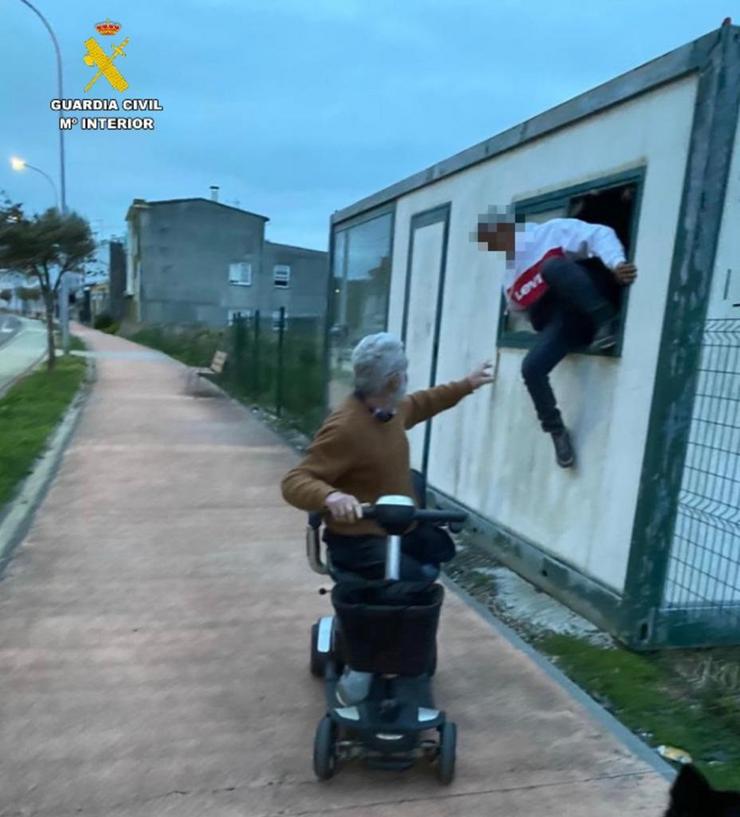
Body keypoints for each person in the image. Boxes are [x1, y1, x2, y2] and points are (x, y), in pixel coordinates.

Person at [281, 332, 493, 703]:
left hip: (397, 529)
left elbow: (421, 404)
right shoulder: (347, 426)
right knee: (407, 588)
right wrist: (331, 495)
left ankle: (404, 655)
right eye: (404, 372)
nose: (407, 379)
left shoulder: (390, 410)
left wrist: (467, 385)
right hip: (358, 540)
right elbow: (295, 481)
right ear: (393, 379)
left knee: (433, 559)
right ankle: (364, 664)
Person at [477, 213, 638, 468]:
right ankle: (556, 431)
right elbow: (517, 311)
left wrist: (616, 263)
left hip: (589, 299)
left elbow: (599, 234)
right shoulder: (509, 276)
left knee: (551, 267)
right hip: (565, 323)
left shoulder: (550, 232)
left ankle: (608, 323)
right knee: (531, 368)